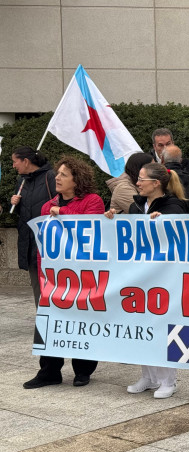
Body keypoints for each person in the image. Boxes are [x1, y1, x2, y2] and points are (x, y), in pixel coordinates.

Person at [105, 162, 189, 398]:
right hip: (141, 276)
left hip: (167, 276)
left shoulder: (174, 206)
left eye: (142, 179)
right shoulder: (135, 206)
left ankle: (169, 380)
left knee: (167, 325)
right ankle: (149, 375)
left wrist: (162, 223)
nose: (138, 183)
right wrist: (112, 220)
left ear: (156, 183)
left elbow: (182, 237)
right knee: (141, 324)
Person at [23, 156, 105, 389]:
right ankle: (49, 371)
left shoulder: (93, 201)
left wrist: (64, 213)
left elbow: (91, 228)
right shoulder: (48, 206)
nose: (57, 178)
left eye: (63, 175)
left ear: (76, 180)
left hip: (83, 274)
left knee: (82, 319)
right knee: (49, 321)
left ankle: (83, 370)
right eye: (57, 174)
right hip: (52, 275)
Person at [9, 146, 57, 306]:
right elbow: (23, 214)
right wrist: (16, 204)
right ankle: (42, 320)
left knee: (54, 285)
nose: (14, 166)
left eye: (15, 162)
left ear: (26, 161)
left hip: (50, 243)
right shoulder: (21, 181)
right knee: (37, 286)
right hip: (29, 243)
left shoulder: (50, 177)